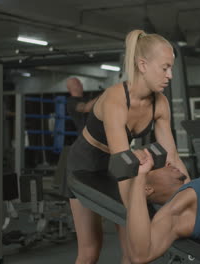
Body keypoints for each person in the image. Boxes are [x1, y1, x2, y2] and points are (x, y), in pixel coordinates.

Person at [66, 30, 190, 264]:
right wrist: (134, 212)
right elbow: (122, 163)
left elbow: (172, 156)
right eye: (165, 68)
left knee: (133, 250)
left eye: (171, 68)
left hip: (119, 167)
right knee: (90, 250)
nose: (170, 75)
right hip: (85, 165)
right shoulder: (116, 99)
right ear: (143, 65)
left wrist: (193, 196)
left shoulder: (160, 103)